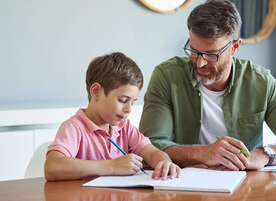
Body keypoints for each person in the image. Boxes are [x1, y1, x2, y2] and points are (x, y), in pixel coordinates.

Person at [139, 0, 276, 171]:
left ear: (235, 47)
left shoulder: (261, 81)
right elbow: (149, 145)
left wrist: (264, 155)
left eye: (211, 54)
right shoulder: (167, 76)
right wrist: (204, 153)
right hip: (184, 186)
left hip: (245, 185)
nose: (200, 63)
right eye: (194, 51)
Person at [45, 52, 180, 181]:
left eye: (132, 103)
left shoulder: (125, 128)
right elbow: (52, 167)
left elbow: (152, 153)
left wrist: (164, 162)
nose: (128, 109)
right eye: (122, 100)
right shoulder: (74, 128)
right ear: (96, 91)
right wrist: (112, 166)